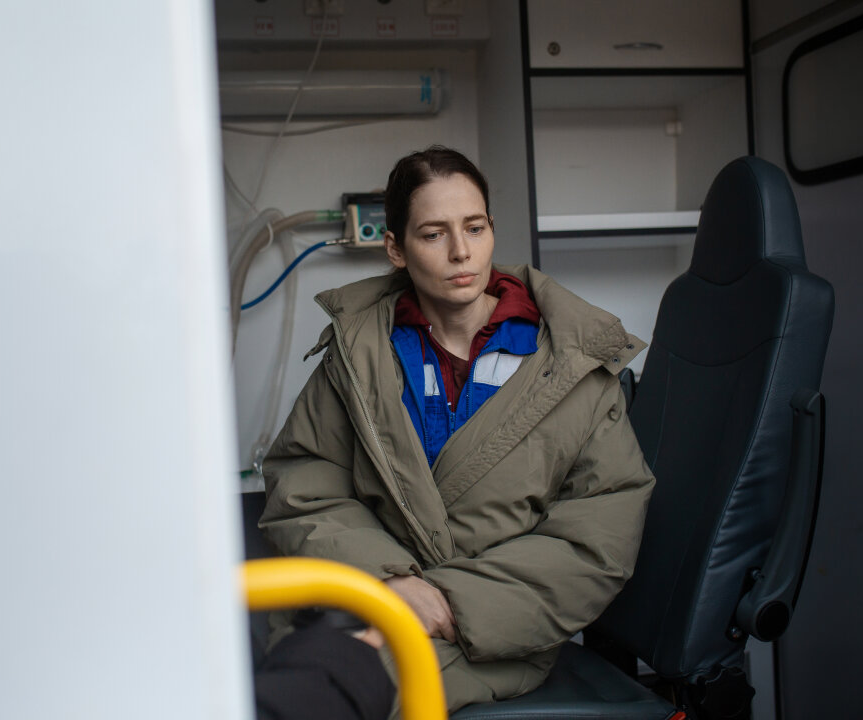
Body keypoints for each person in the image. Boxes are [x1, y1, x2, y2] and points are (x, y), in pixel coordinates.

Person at [259, 146, 655, 717]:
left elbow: (598, 538)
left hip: (493, 632)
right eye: (433, 234)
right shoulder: (358, 352)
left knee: (331, 692)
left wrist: (446, 602)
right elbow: (305, 486)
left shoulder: (574, 361)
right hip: (365, 601)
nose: (461, 252)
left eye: (475, 227)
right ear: (396, 248)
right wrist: (390, 582)